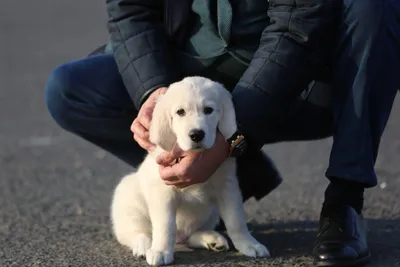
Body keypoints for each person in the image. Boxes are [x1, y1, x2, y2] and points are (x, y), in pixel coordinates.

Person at [45, 0, 400, 266]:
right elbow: (130, 10)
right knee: (71, 89)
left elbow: (296, 26)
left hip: (301, 79)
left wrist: (228, 142)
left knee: (375, 6)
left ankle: (345, 200)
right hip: (189, 66)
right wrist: (154, 91)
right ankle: (234, 172)